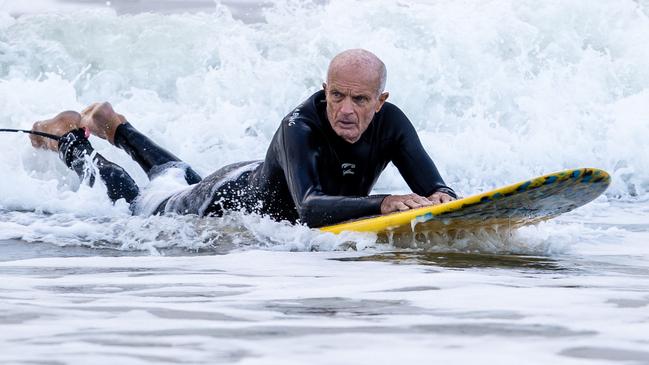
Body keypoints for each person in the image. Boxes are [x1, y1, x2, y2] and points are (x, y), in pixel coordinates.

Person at [30, 49, 456, 228]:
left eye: (359, 99)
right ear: (324, 89)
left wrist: (439, 196)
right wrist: (384, 203)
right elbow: (308, 209)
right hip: (221, 199)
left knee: (174, 175)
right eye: (336, 95)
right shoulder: (299, 125)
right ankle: (69, 137)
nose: (345, 109)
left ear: (380, 101)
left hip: (246, 175)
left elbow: (435, 188)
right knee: (141, 201)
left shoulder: (393, 123)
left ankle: (118, 126)